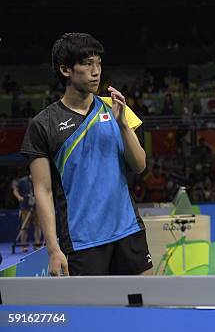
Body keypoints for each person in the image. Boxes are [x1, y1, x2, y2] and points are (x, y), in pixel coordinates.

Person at [20, 33, 151, 276]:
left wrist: (122, 124)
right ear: (65, 69)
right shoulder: (44, 124)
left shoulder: (115, 109)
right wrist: (53, 250)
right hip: (83, 241)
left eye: (98, 63)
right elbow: (43, 190)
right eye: (87, 63)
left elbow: (140, 165)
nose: (96, 71)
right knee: (92, 313)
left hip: (128, 230)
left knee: (145, 307)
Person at [12, 174, 42, 251]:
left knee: (38, 226)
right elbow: (15, 190)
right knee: (24, 227)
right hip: (25, 208)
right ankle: (23, 246)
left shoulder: (39, 180)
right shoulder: (22, 181)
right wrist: (19, 197)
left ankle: (37, 245)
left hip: (37, 207)